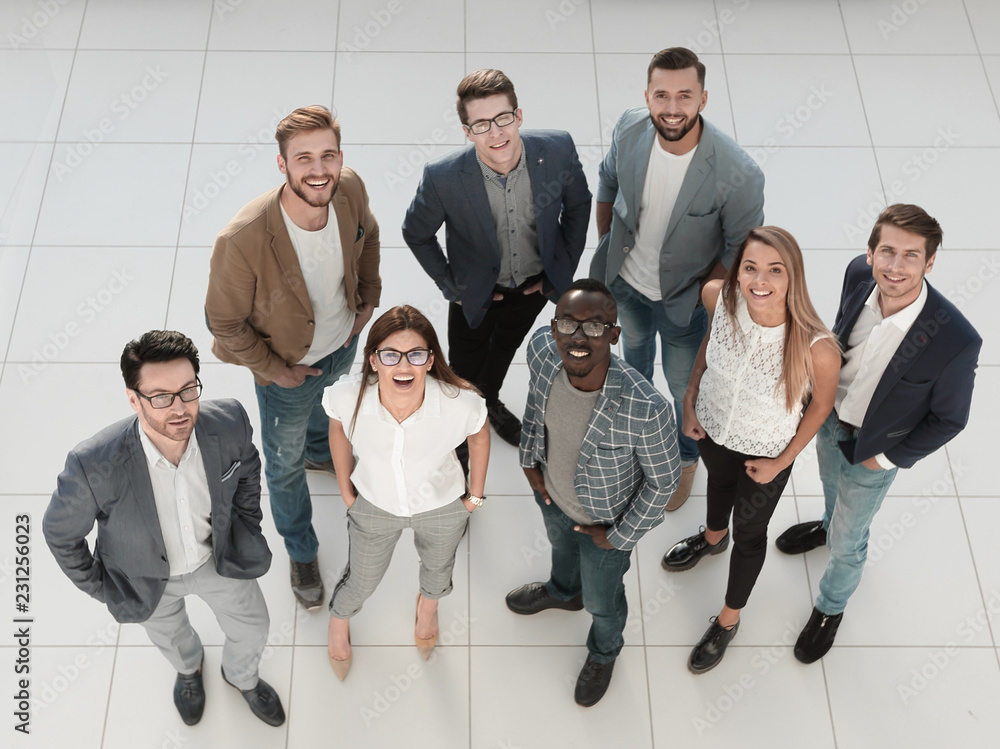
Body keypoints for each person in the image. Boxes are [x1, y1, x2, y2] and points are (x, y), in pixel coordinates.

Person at [43, 331, 284, 727]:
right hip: (145, 577)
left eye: (188, 390)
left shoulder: (229, 423)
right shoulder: (91, 465)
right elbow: (60, 534)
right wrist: (102, 587)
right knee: (171, 637)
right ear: (133, 398)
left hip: (216, 558)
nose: (179, 408)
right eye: (161, 396)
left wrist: (246, 526)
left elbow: (248, 474)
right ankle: (189, 671)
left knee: (254, 625)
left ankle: (241, 676)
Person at [774, 204, 982, 663]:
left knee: (851, 537)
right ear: (870, 253)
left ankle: (831, 607)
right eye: (886, 251)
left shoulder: (956, 340)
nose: (895, 266)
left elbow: (950, 419)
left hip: (875, 449)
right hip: (828, 418)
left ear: (930, 263)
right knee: (830, 488)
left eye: (911, 255)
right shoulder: (856, 275)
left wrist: (886, 459)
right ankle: (825, 525)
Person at [205, 105, 381, 609]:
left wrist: (366, 300)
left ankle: (318, 452)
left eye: (328, 155)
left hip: (340, 344)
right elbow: (224, 322)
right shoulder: (242, 239)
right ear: (282, 165)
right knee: (282, 469)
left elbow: (367, 234)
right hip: (286, 367)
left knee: (326, 410)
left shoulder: (349, 189)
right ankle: (301, 551)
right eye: (303, 158)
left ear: (340, 157)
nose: (318, 169)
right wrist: (274, 370)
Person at [590, 47, 765, 511]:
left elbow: (740, 252)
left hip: (684, 300)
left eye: (684, 96)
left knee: (685, 387)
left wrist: (702, 301)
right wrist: (609, 242)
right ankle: (634, 440)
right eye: (661, 95)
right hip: (626, 284)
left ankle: (685, 461)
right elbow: (606, 180)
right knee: (633, 366)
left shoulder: (739, 173)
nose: (672, 108)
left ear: (703, 100)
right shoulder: (630, 127)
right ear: (646, 96)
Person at [660, 227, 840, 672]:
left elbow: (819, 409)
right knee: (718, 484)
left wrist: (781, 461)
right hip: (713, 428)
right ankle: (711, 538)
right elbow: (709, 343)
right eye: (751, 267)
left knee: (751, 534)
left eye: (775, 270)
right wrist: (689, 398)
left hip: (766, 453)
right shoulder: (718, 297)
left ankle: (728, 618)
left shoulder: (817, 347)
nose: (761, 280)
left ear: (792, 276)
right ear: (738, 271)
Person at [506, 279, 680, 707]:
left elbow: (664, 482)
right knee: (560, 553)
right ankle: (564, 592)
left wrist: (618, 536)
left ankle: (604, 652)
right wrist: (529, 461)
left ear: (614, 335)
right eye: (567, 324)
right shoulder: (543, 353)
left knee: (603, 601)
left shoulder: (647, 408)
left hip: (606, 524)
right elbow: (534, 407)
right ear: (553, 328)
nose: (578, 337)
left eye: (595, 327)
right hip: (551, 495)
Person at [403, 69, 591, 448]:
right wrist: (451, 286)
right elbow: (416, 232)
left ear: (518, 116)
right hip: (474, 293)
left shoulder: (557, 151)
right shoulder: (443, 178)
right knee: (464, 363)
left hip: (534, 286)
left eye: (503, 118)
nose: (496, 133)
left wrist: (559, 274)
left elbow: (579, 207)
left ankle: (489, 402)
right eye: (481, 124)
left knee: (505, 348)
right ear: (467, 132)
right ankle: (458, 432)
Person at [321, 306, 489, 680]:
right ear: (374, 360)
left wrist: (474, 496)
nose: (403, 366)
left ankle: (427, 610)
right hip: (374, 505)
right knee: (361, 580)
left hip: (442, 504)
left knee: (437, 571)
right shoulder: (348, 397)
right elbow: (336, 427)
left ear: (430, 361)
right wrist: (345, 486)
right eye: (390, 355)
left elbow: (479, 433)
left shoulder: (458, 401)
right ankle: (339, 620)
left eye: (415, 355)